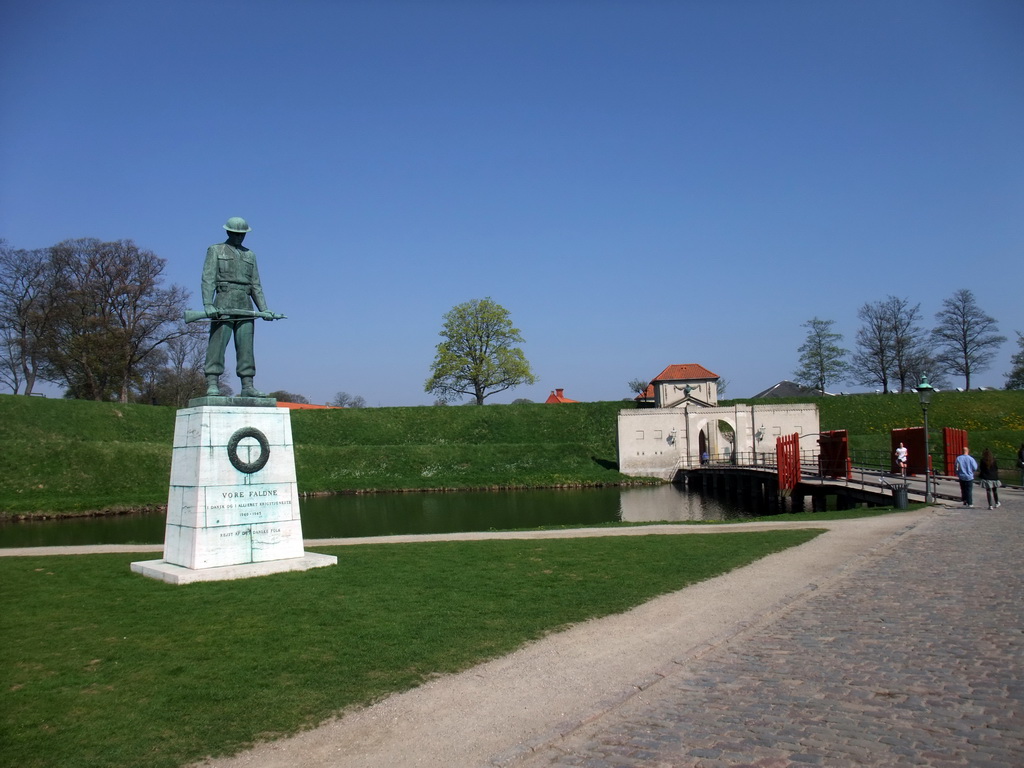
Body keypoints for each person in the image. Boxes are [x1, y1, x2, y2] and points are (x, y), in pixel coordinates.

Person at [201, 217, 280, 398]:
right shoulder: (215, 250)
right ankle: (212, 382)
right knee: (217, 344)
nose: (239, 237)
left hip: (245, 302)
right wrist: (207, 303)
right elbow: (208, 278)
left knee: (246, 346)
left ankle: (247, 385)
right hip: (224, 301)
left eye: (242, 235)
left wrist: (264, 309)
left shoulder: (250, 255)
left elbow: (256, 284)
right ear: (228, 232)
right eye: (236, 234)